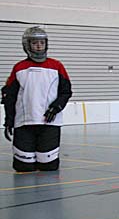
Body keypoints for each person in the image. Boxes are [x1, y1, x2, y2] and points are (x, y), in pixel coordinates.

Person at [2, 27, 72, 172]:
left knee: (48, 167)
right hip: (24, 123)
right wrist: (9, 120)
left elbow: (66, 92)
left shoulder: (57, 66)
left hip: (50, 122)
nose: (39, 46)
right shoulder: (19, 68)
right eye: (34, 43)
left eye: (42, 42)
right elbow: (10, 97)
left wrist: (56, 107)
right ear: (27, 45)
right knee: (24, 167)